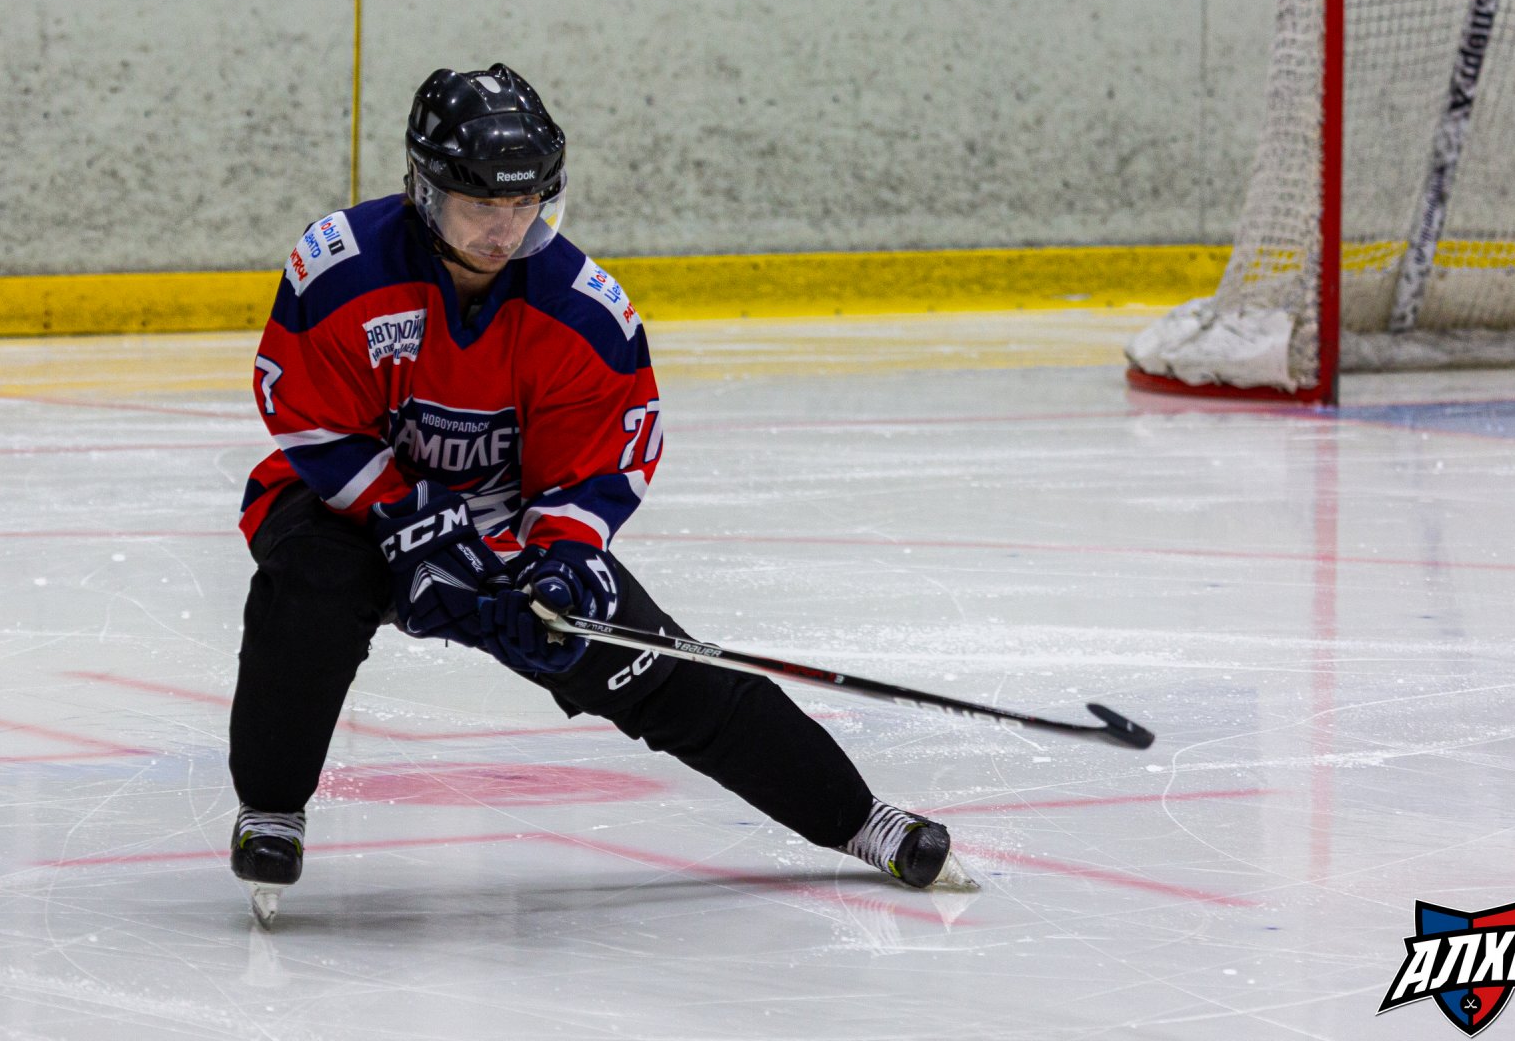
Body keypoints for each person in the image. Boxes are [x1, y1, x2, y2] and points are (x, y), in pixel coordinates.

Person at [227, 63, 975, 924]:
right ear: (424, 192)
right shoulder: (343, 266)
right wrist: (407, 520)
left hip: (503, 532)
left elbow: (600, 462)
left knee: (655, 666)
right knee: (313, 586)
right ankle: (271, 808)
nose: (506, 229)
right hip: (348, 507)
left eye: (526, 203)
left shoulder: (584, 309)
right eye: (481, 205)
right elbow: (309, 415)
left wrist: (565, 558)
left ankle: (859, 819)